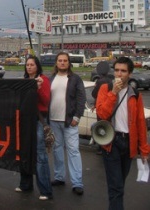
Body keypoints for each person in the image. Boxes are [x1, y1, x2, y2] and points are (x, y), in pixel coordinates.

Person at [96, 56, 149, 210]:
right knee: (116, 186)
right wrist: (113, 92)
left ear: (130, 74)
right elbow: (102, 114)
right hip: (111, 141)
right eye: (117, 70)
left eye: (123, 71)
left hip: (128, 142)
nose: (119, 74)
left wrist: (144, 149)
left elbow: (140, 122)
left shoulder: (135, 94)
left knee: (120, 184)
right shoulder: (105, 89)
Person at [15, 55, 53, 201]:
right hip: (25, 119)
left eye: (32, 64)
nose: (29, 67)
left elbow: (46, 100)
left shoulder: (43, 79)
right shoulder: (24, 80)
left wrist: (38, 88)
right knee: (24, 151)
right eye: (27, 64)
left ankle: (46, 190)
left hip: (38, 119)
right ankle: (26, 184)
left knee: (40, 154)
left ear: (37, 66)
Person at [49, 52, 86, 195]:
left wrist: (77, 117)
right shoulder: (51, 78)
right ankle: (59, 177)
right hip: (53, 120)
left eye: (65, 60)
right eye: (60, 60)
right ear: (56, 63)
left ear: (69, 63)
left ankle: (77, 182)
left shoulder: (75, 79)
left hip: (70, 121)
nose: (62, 63)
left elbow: (81, 98)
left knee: (73, 151)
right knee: (57, 149)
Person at [91, 61, 113, 155]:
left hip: (100, 107)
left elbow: (94, 94)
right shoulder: (110, 80)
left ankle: (101, 147)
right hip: (109, 106)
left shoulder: (100, 81)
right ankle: (108, 145)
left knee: (100, 127)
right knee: (108, 126)